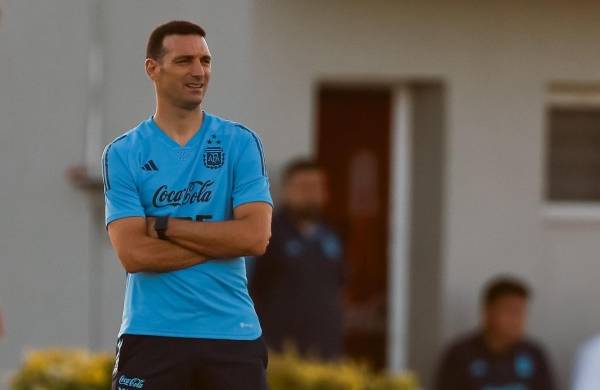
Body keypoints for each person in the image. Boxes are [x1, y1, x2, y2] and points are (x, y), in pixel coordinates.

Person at [102, 20, 273, 390]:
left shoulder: (240, 143)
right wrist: (222, 240)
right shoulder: (123, 152)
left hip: (233, 334)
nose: (199, 72)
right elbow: (134, 254)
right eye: (184, 61)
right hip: (151, 334)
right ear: (153, 68)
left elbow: (255, 238)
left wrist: (166, 227)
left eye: (205, 61)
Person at [250, 159, 345, 360]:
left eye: (316, 187)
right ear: (286, 190)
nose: (310, 194)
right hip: (279, 350)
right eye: (303, 187)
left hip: (325, 349)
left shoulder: (332, 236)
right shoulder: (267, 235)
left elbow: (341, 286)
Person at [434, 276, 556, 390]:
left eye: (520, 312)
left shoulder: (534, 355)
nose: (516, 320)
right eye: (510, 311)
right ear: (487, 311)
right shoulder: (459, 355)